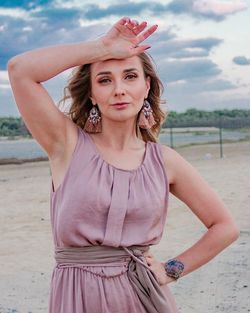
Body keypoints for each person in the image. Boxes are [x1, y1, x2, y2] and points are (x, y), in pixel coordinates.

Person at [8, 16, 239, 313]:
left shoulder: (165, 161)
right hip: (78, 299)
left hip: (145, 298)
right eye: (105, 80)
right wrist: (100, 48)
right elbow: (20, 70)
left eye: (130, 76)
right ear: (91, 94)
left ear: (146, 86)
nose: (119, 89)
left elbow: (224, 227)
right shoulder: (66, 145)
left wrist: (172, 269)